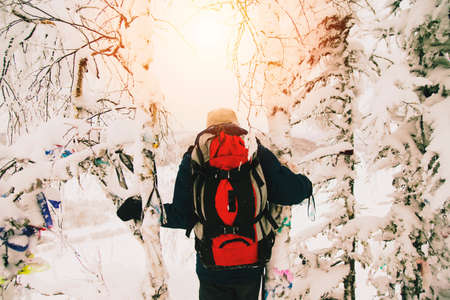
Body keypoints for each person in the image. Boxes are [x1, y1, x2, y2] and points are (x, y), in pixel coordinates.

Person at [162, 108, 312, 300]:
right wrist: (305, 184)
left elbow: (181, 215)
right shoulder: (254, 151)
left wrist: (144, 210)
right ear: (236, 124)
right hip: (251, 258)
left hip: (211, 261)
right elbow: (290, 193)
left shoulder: (194, 157)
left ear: (208, 127)